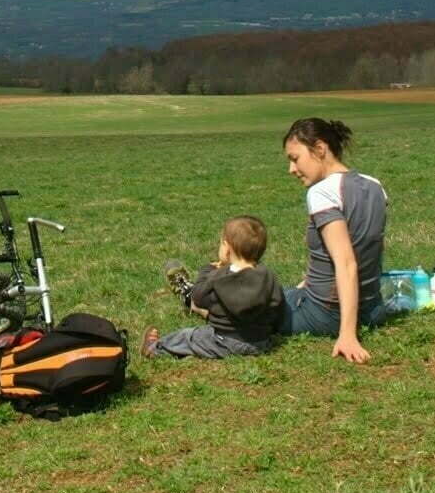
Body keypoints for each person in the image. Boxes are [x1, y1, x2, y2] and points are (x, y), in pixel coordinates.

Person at [281, 117, 389, 364]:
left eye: (295, 158)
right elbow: (367, 250)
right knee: (287, 292)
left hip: (325, 314)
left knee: (250, 302)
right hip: (372, 310)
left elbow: (347, 262)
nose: (292, 169)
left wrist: (347, 335)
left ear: (320, 149)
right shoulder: (376, 186)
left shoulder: (322, 192)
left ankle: (196, 300)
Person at [141, 215, 286, 359]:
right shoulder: (268, 275)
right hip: (261, 342)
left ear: (227, 249)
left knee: (188, 337)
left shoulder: (220, 277)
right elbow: (278, 305)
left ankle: (155, 348)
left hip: (226, 341)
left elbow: (198, 297)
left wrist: (207, 271)